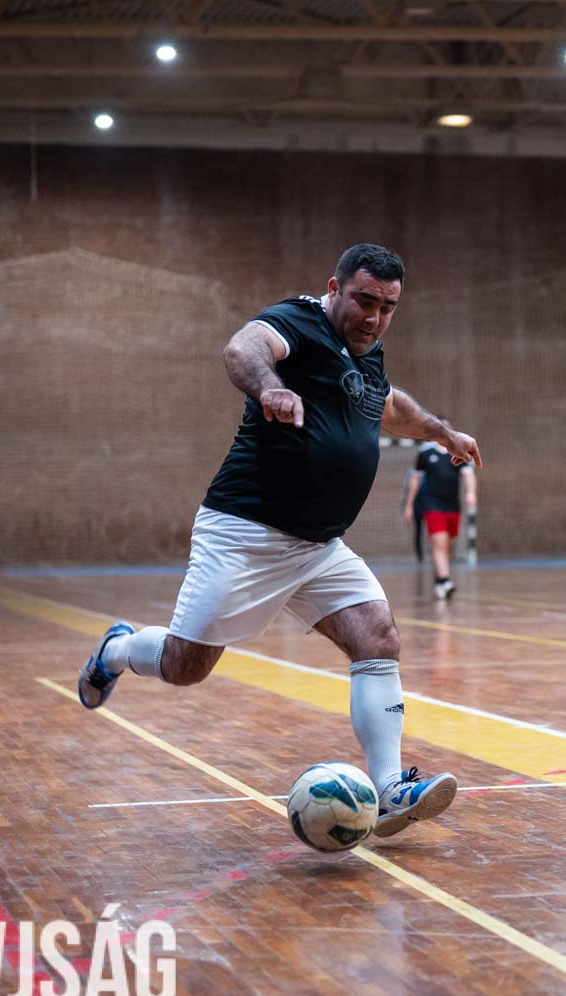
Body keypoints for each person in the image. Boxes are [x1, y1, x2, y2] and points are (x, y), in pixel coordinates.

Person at [75, 244, 481, 839]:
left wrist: (442, 432)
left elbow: (387, 406)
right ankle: (115, 650)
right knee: (185, 666)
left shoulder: (367, 352)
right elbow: (243, 348)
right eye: (364, 300)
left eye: (387, 307)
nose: (373, 317)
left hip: (318, 546)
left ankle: (391, 787)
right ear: (335, 288)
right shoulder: (298, 321)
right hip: (245, 534)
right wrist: (269, 388)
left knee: (378, 639)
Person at [403, 422, 477, 599]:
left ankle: (439, 578)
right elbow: (415, 479)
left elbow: (468, 474)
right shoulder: (425, 452)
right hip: (431, 505)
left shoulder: (457, 452)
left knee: (448, 545)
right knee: (439, 542)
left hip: (452, 506)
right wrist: (409, 504)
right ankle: (445, 580)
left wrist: (471, 493)